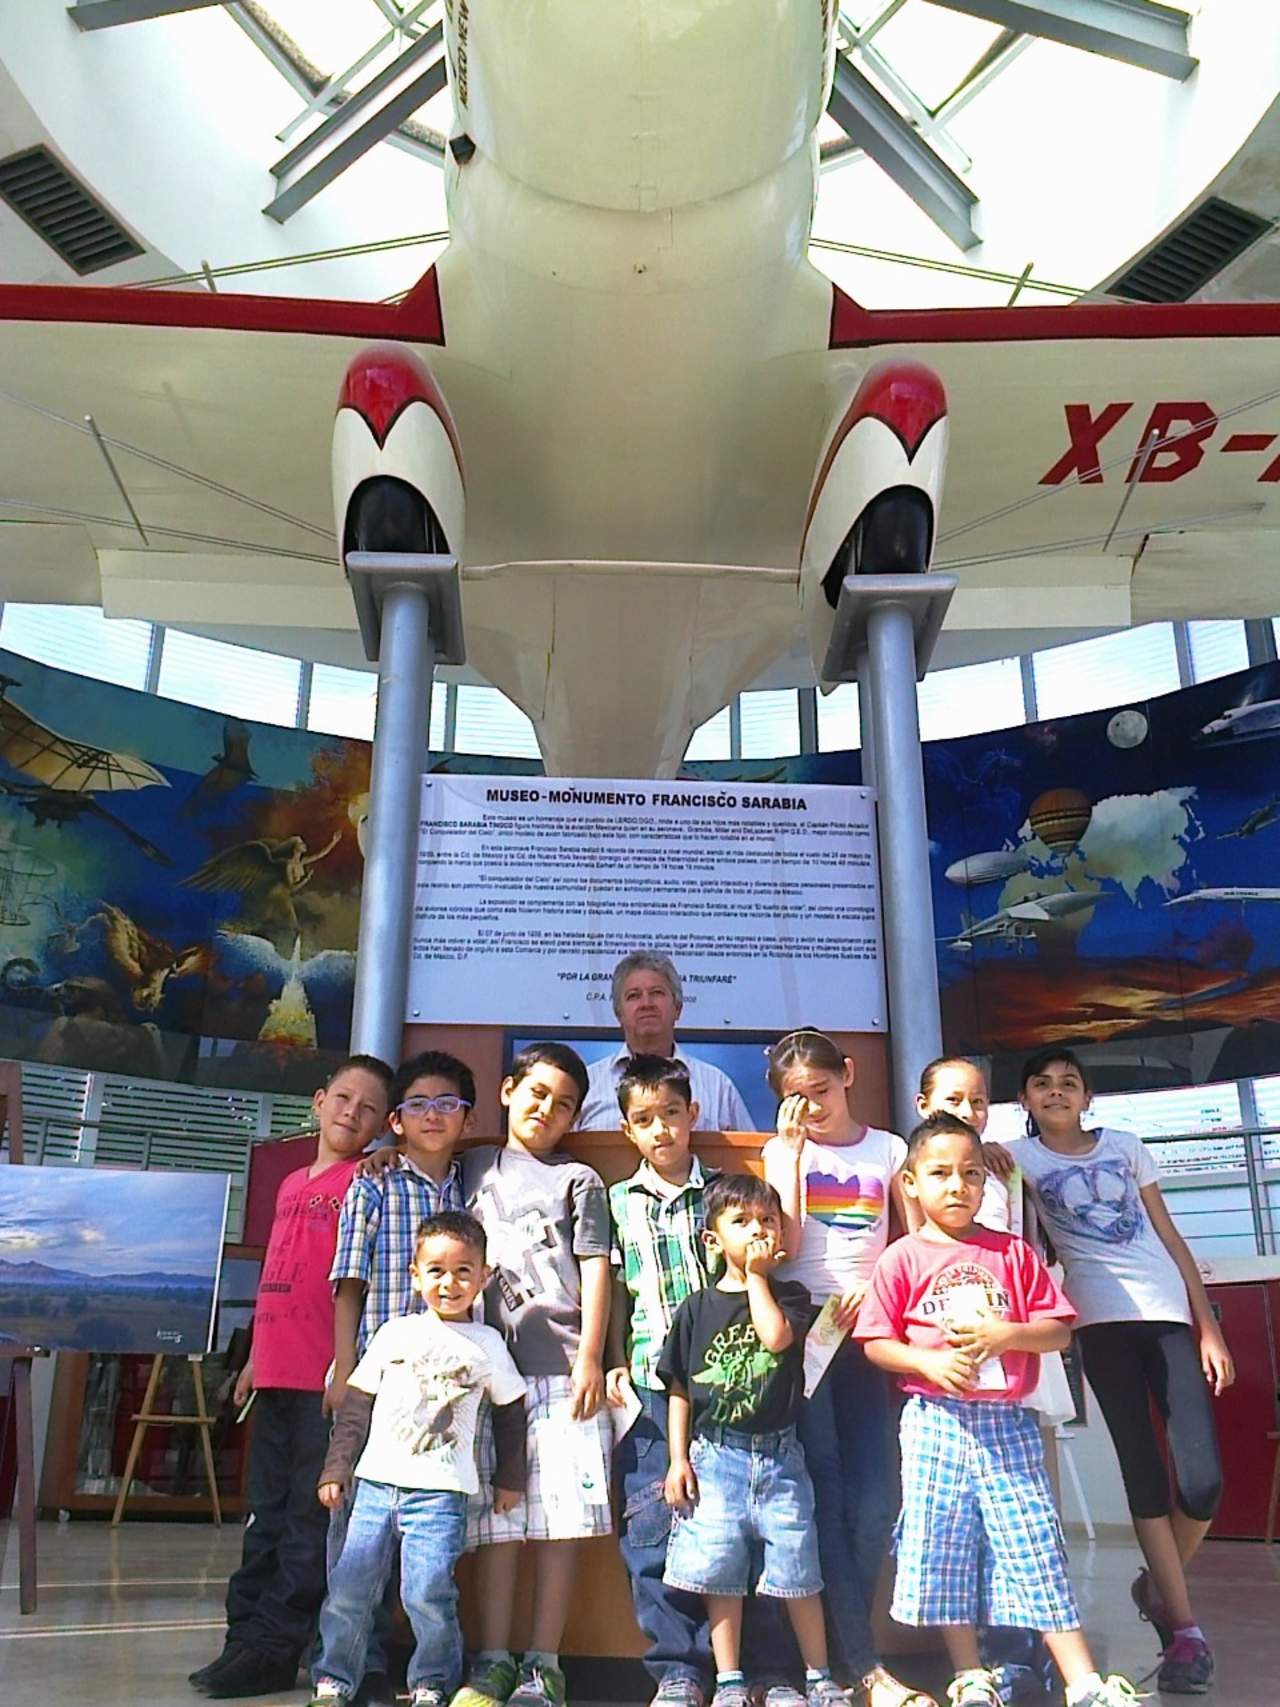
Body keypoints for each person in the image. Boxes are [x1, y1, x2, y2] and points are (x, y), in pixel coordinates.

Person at [855, 1113, 1140, 1707]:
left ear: (986, 1182)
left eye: (970, 1174)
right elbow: (876, 1341)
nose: (956, 1186)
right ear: (910, 1183)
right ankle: (969, 1672)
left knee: (1032, 1539)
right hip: (934, 1418)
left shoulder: (1011, 1252)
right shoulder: (901, 1258)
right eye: (940, 1174)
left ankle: (1083, 1681)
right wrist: (925, 1362)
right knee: (944, 1539)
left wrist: (1007, 1334)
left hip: (1007, 1421)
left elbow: (1058, 1330)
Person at [999, 1046, 1234, 1697]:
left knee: (1204, 1481)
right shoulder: (1018, 1159)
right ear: (1025, 1099)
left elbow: (1171, 1237)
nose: (1056, 1091)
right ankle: (1184, 1628)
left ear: (1087, 1096)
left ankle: (1156, 1587)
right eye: (1042, 1082)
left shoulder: (1127, 1146)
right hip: (1098, 1323)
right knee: (1144, 1471)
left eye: (1068, 1082)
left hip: (1167, 1315)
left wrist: (1208, 1324)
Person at [189, 1054, 394, 1702]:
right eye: (343, 1098)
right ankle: (243, 1637)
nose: (351, 1113)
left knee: (308, 1524)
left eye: (368, 1108)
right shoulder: (288, 1184)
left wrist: (386, 1156)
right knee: (264, 1519)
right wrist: (254, 1358)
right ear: (318, 1101)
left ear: (381, 1125)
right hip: (274, 1373)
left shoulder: (369, 1178)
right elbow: (277, 1271)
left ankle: (277, 1649)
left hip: (322, 1381)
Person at [760, 1029, 922, 1707]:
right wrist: (792, 1156)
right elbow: (787, 1244)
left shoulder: (889, 1149)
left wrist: (882, 1290)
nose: (812, 1107)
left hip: (871, 1329)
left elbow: (914, 1241)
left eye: (821, 1090)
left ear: (848, 1074)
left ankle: (839, 1648)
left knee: (875, 1499)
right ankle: (858, 1662)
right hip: (808, 1328)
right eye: (796, 1097)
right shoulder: (783, 1150)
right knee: (822, 1489)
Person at [309, 1213, 528, 1707]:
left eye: (463, 1272)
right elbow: (355, 1408)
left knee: (427, 1592)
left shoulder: (488, 1344)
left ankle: (432, 1682)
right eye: (436, 1271)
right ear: (414, 1275)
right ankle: (333, 1681)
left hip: (441, 1494)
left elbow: (512, 1412)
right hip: (373, 1487)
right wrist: (336, 1469)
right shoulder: (394, 1333)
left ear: (484, 1276)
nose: (449, 1283)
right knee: (349, 1589)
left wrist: (510, 1480)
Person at [455, 1043, 613, 1707]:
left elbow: (597, 1268)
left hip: (562, 1372)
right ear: (507, 1090)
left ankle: (543, 1664)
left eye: (565, 1103)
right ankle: (492, 1659)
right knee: (496, 1526)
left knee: (560, 1522)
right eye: (537, 1092)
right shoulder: (471, 1165)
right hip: (485, 1373)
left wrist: (591, 1356)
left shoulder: (580, 1178)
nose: (547, 1109)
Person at [915, 1057, 1071, 1704]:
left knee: (1026, 1512)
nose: (968, 1110)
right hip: (948, 1370)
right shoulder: (919, 1167)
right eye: (953, 1099)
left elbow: (1032, 1249)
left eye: (978, 1101)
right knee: (957, 1522)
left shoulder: (1004, 1166)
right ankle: (976, 1660)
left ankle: (1028, 1651)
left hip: (1015, 1350)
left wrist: (1016, 1332)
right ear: (924, 1104)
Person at [657, 1172, 843, 1707]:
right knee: (721, 1574)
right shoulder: (696, 1309)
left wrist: (759, 1278)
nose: (758, 1230)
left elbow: (776, 1337)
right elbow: (679, 1389)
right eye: (741, 1222)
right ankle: (730, 1680)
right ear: (713, 1240)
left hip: (780, 1457)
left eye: (768, 1220)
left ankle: (818, 1676)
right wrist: (677, 1459)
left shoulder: (791, 1296)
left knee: (798, 1568)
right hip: (715, 1457)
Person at [327, 1050, 476, 1704]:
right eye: (417, 1104)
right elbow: (348, 1281)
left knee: (429, 1547)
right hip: (376, 1385)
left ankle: (426, 1673)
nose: (433, 1115)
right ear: (397, 1119)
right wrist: (343, 1370)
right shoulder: (375, 1184)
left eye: (447, 1103)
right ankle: (347, 1669)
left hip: (445, 1397)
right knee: (356, 1540)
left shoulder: (476, 1183)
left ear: (468, 1117)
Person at [606, 1055, 716, 1707]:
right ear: (627, 1129)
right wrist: (614, 1357)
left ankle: (741, 1664)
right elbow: (616, 1289)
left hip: (723, 1384)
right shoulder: (618, 1201)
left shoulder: (723, 1193)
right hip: (649, 1381)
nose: (661, 1129)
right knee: (651, 1522)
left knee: (729, 1519)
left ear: (692, 1114)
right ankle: (677, 1666)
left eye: (671, 1113)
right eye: (644, 1119)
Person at [577, 952, 755, 1132]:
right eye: (634, 996)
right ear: (618, 1013)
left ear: (677, 1008)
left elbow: (750, 1149)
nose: (646, 1004)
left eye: (657, 993)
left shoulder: (717, 1086)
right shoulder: (586, 1085)